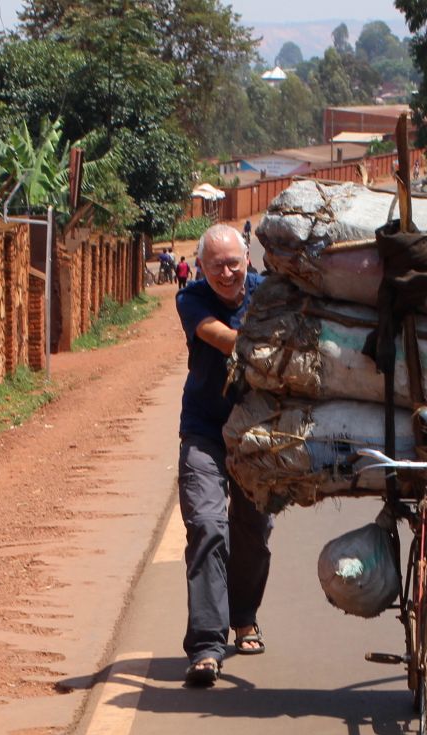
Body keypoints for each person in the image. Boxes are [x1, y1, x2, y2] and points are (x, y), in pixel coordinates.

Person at [175, 224, 272, 688]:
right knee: (208, 526)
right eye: (217, 265)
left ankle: (245, 617)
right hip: (205, 432)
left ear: (248, 260)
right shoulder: (191, 299)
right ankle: (207, 647)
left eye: (234, 262)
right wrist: (277, 343)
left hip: (259, 433)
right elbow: (219, 337)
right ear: (201, 268)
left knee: (253, 528)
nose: (227, 272)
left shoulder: (270, 294)